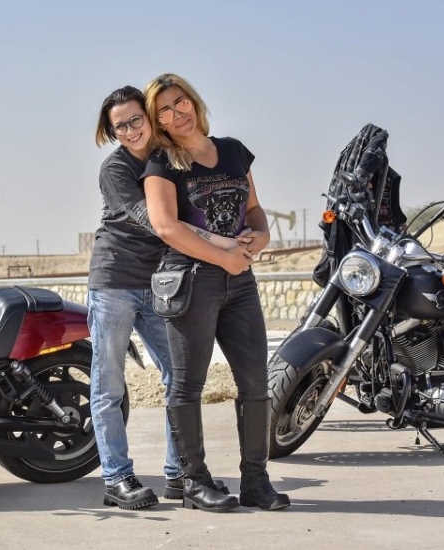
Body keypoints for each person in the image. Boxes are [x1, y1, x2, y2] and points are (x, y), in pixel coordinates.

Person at [142, 73, 291, 513]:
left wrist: (261, 236)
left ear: (193, 101)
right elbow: (166, 227)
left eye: (180, 102)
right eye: (164, 111)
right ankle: (193, 481)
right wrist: (223, 258)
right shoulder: (162, 163)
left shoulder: (232, 150)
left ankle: (256, 481)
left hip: (240, 282)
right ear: (158, 121)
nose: (176, 114)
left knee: (255, 381)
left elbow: (253, 209)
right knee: (188, 384)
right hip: (191, 281)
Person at [89, 85, 238, 510]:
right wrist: (221, 244)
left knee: (180, 376)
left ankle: (179, 473)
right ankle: (117, 478)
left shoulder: (171, 158)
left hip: (160, 283)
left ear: (150, 117)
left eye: (136, 120)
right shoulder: (115, 169)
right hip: (114, 283)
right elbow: (156, 221)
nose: (130, 130)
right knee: (109, 385)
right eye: (120, 127)